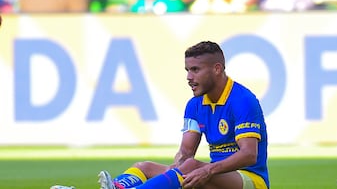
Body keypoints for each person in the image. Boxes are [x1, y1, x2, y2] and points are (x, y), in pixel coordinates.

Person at [51, 41, 269, 189]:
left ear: (217, 69)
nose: (189, 77)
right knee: (144, 167)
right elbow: (185, 152)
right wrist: (175, 169)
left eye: (195, 69)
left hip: (249, 179)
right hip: (214, 174)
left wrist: (206, 170)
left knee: (192, 167)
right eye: (187, 70)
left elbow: (249, 155)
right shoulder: (194, 105)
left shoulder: (242, 100)